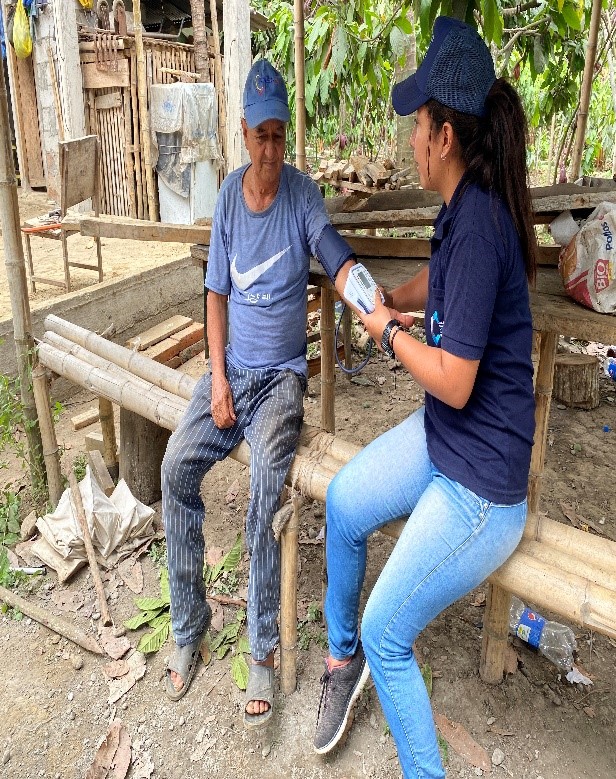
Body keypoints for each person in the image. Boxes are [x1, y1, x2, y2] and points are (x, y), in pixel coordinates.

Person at [313, 16, 537, 779]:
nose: (410, 138)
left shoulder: (480, 226)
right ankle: (340, 661)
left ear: (443, 136)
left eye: (417, 125)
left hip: (481, 485)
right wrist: (394, 302)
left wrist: (384, 331)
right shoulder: (463, 207)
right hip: (448, 437)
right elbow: (438, 284)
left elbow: (454, 378)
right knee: (345, 502)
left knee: (390, 633)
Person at [161, 58, 361, 728]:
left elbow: (333, 252)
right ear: (243, 134)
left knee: (262, 496)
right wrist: (217, 377)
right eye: (261, 136)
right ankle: (188, 627)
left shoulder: (301, 196)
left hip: (280, 379)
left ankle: (262, 652)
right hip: (233, 372)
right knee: (175, 467)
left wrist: (367, 295)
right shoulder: (227, 198)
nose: (271, 149)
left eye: (279, 136)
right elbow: (215, 296)